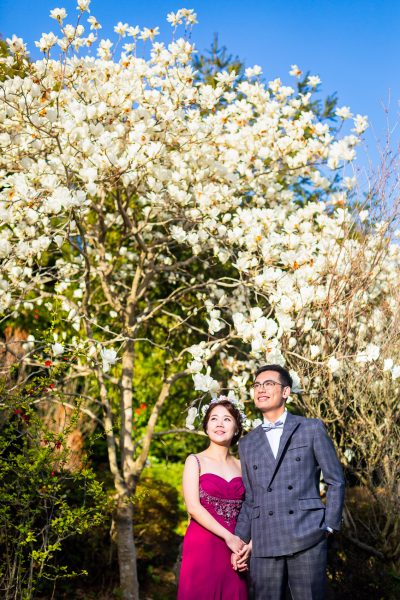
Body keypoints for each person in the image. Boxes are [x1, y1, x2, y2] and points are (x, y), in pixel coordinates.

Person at [234, 364, 345, 600]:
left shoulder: (310, 428)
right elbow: (251, 499)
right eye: (256, 385)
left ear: (286, 392)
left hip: (307, 534)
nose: (261, 389)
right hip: (264, 539)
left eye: (268, 384)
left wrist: (329, 525)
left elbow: (335, 480)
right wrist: (239, 541)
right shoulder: (247, 443)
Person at [177, 399, 248, 600]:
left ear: (236, 428)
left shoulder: (243, 466)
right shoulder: (195, 461)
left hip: (237, 550)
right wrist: (228, 538)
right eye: (214, 419)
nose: (219, 424)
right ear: (206, 427)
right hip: (203, 546)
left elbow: (252, 508)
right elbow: (193, 507)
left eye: (227, 419)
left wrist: (246, 548)